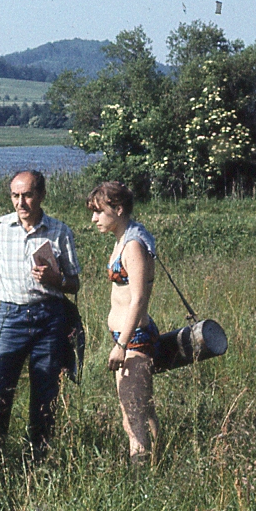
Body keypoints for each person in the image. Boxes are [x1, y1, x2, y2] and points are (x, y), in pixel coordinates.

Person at [0, 170, 80, 458]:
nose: (21, 203)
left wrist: (55, 280)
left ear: (42, 196)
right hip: (10, 317)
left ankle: (38, 457)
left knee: (45, 389)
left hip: (50, 317)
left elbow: (74, 282)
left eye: (28, 195)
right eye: (15, 196)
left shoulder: (59, 231)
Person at [88, 181, 159, 465]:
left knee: (134, 416)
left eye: (98, 212)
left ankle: (142, 479)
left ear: (118, 209)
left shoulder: (133, 246)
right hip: (127, 337)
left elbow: (139, 299)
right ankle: (156, 461)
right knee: (139, 408)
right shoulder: (125, 238)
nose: (94, 219)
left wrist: (121, 344)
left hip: (134, 338)